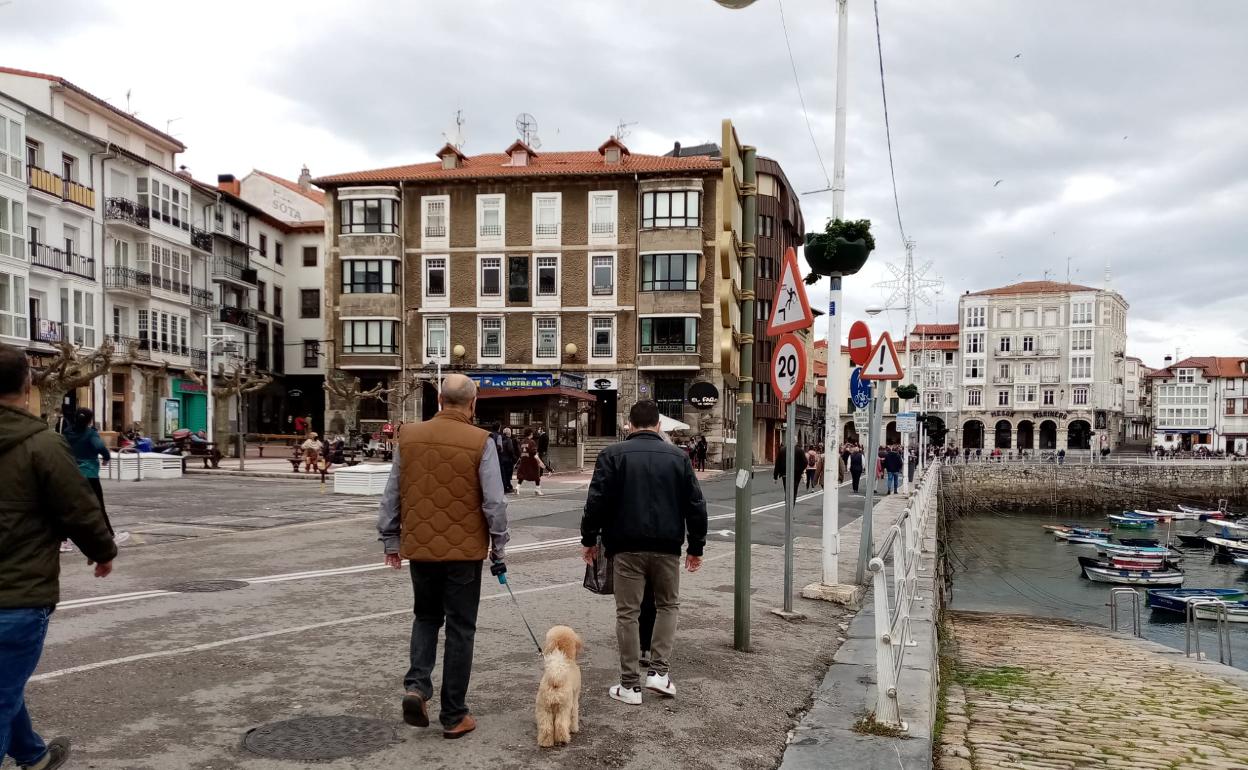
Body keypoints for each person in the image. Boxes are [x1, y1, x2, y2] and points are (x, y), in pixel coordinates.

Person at [0, 342, 117, 769]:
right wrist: (102, 551)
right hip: (16, 597)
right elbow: (78, 508)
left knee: (4, 687)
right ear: (28, 384)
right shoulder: (43, 445)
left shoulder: (50, 442)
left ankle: (34, 756)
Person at [377, 374, 510, 740]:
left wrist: (391, 539)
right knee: (461, 629)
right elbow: (494, 503)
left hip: (421, 548)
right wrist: (499, 546)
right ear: (473, 403)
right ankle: (453, 714)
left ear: (438, 400)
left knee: (425, 617)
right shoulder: (480, 441)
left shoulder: (409, 437)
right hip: (464, 553)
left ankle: (417, 686)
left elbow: (392, 494)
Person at [580, 400, 707, 705]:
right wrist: (696, 547)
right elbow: (696, 505)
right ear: (659, 425)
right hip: (667, 547)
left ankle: (629, 685)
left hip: (625, 546)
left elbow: (596, 501)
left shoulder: (612, 455)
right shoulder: (678, 458)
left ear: (630, 425)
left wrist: (589, 539)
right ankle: (660, 674)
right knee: (667, 606)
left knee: (628, 613)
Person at [63, 408, 129, 546]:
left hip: (71, 473)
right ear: (90, 420)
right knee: (97, 506)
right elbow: (99, 446)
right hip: (89, 475)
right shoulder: (90, 433)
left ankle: (63, 541)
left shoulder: (68, 432)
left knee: (68, 507)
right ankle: (110, 535)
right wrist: (106, 457)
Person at [772, 440, 805, 506]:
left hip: (785, 474)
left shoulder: (782, 450)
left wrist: (775, 477)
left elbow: (777, 464)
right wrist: (800, 471)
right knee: (794, 492)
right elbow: (805, 462)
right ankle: (791, 510)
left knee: (787, 492)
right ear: (795, 442)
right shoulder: (800, 451)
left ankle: (788, 509)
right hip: (796, 475)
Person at [515, 428, 544, 496]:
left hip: (524, 460)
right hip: (531, 461)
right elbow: (533, 451)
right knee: (536, 475)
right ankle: (537, 489)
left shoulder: (522, 442)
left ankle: (517, 487)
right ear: (531, 433)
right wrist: (538, 458)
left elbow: (520, 451)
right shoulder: (531, 442)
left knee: (522, 475)